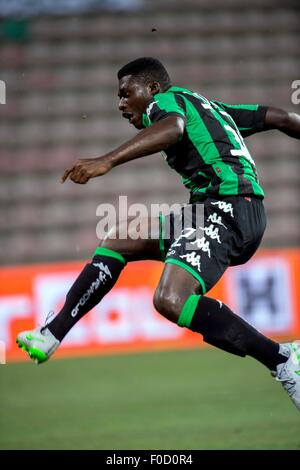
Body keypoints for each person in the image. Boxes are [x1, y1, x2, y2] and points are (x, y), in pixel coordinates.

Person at [17, 57, 300, 410]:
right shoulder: (212, 108)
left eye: (125, 93)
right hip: (219, 209)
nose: (121, 103)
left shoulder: (164, 103)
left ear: (151, 89)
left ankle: (283, 359)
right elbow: (282, 118)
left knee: (170, 300)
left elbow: (174, 128)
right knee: (118, 239)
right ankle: (53, 333)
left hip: (226, 208)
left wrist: (107, 160)